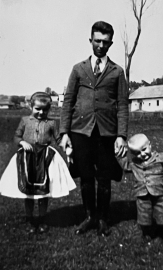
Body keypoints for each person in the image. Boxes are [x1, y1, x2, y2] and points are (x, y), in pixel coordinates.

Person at [59, 21, 129, 236]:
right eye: (97, 41)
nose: (100, 45)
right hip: (81, 131)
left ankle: (103, 218)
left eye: (105, 42)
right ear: (90, 40)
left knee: (104, 177)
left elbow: (123, 105)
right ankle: (89, 216)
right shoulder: (78, 69)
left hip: (107, 132)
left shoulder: (117, 72)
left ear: (111, 44)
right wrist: (64, 133)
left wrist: (121, 136)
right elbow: (68, 100)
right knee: (86, 176)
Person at [0, 92, 76, 234]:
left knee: (44, 190)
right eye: (37, 109)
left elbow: (58, 139)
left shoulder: (52, 123)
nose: (41, 113)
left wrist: (66, 148)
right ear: (31, 106)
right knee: (28, 191)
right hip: (27, 157)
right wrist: (22, 142)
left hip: (45, 158)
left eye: (45, 110)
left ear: (49, 109)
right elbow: (16, 136)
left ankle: (42, 219)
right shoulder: (24, 120)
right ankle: (30, 220)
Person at [116, 133, 163, 243]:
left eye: (144, 149)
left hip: (160, 193)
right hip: (142, 193)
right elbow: (125, 166)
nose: (142, 154)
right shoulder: (134, 163)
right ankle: (147, 233)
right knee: (144, 216)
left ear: (150, 145)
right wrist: (119, 156)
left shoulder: (161, 158)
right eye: (137, 153)